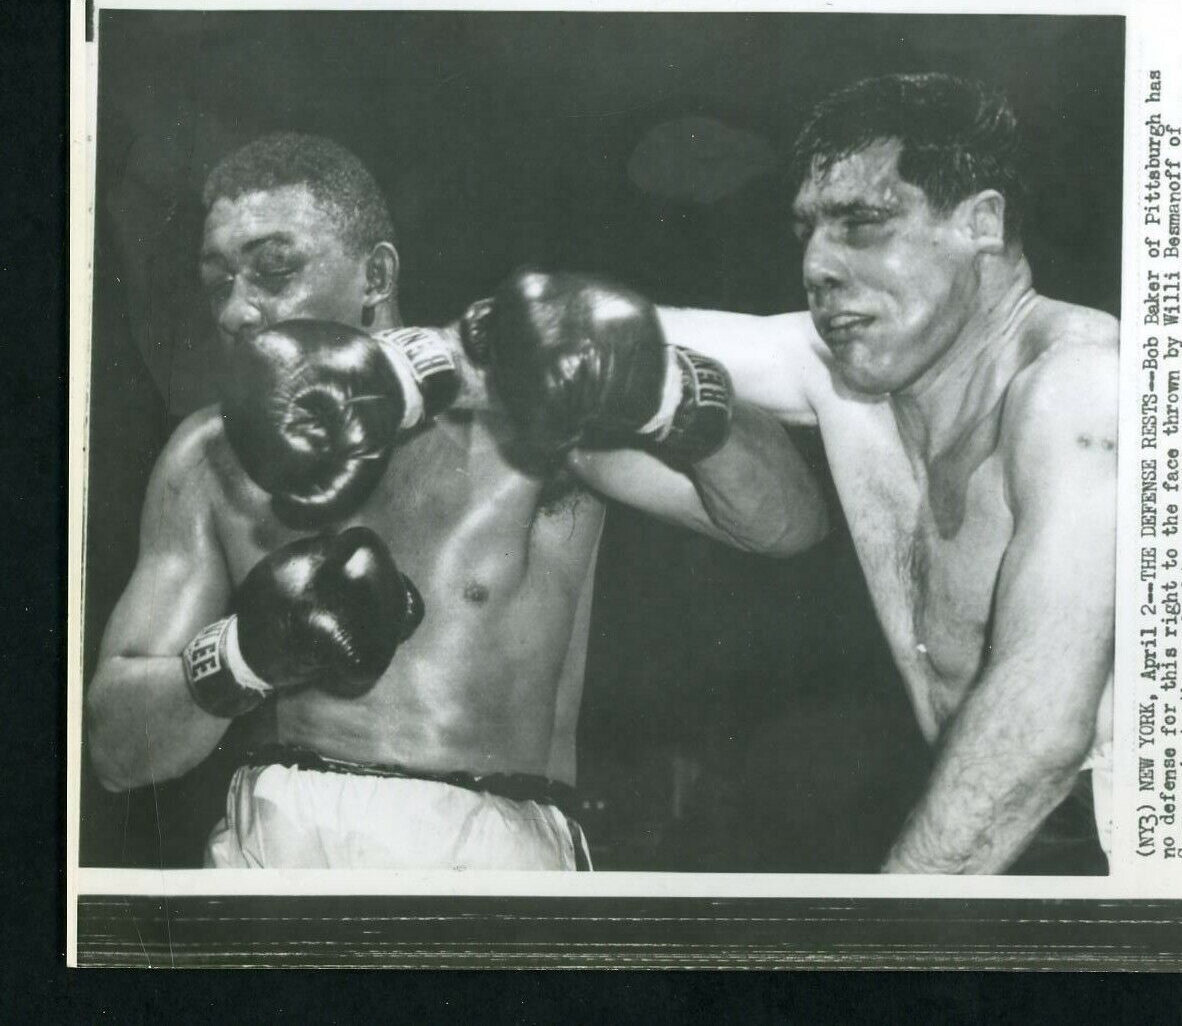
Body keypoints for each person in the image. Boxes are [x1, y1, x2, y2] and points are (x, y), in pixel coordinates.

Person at [85, 132, 829, 870]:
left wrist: (667, 393)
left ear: (375, 275)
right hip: (273, 842)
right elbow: (117, 750)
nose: (236, 311)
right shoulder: (208, 454)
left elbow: (787, 525)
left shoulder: (521, 411)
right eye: (218, 280)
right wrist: (245, 654)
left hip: (483, 845)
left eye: (273, 270)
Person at [660, 72, 1119, 874]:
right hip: (995, 843)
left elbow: (1043, 729)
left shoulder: (1082, 385)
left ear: (981, 222)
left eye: (863, 224)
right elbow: (608, 338)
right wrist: (410, 359)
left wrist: (887, 931)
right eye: (806, 230)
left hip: (1142, 852)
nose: (817, 265)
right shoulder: (866, 372)